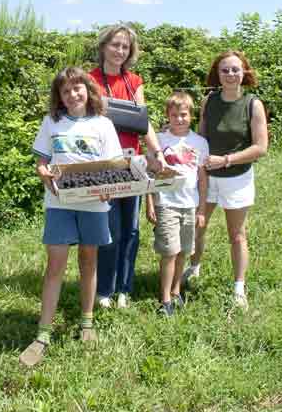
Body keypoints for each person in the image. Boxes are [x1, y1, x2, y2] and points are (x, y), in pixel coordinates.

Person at [19, 67, 123, 367]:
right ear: (60, 98)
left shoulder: (103, 124)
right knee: (55, 266)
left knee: (89, 261)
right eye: (66, 91)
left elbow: (114, 165)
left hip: (94, 204)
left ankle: (87, 323)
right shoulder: (52, 123)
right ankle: (43, 334)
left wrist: (108, 189)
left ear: (88, 90)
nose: (73, 94)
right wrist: (43, 173)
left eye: (77, 88)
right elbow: (41, 161)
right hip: (59, 203)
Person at [183, 51, 268, 310]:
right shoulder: (209, 101)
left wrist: (227, 160)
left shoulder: (253, 104)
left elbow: (260, 147)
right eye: (225, 70)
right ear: (217, 74)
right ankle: (193, 267)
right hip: (208, 177)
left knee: (237, 235)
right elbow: (201, 136)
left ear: (244, 72)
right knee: (198, 226)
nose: (230, 74)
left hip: (237, 178)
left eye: (235, 69)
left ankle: (239, 288)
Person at [90, 24, 167, 309]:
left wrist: (156, 152)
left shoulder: (135, 81)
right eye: (115, 44)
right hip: (104, 164)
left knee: (131, 230)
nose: (120, 51)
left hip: (132, 163)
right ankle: (104, 291)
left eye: (125, 46)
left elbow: (143, 123)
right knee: (110, 229)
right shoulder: (90, 80)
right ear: (103, 47)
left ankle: (125, 288)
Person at [145, 92, 209, 316]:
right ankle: (164, 300)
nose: (179, 119)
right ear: (167, 116)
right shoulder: (160, 141)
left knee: (183, 250)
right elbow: (150, 175)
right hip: (166, 203)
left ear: (191, 116)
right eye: (174, 115)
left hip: (189, 204)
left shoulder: (199, 143)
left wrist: (201, 209)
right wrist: (150, 204)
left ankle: (176, 290)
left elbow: (202, 179)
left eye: (183, 115)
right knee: (169, 252)